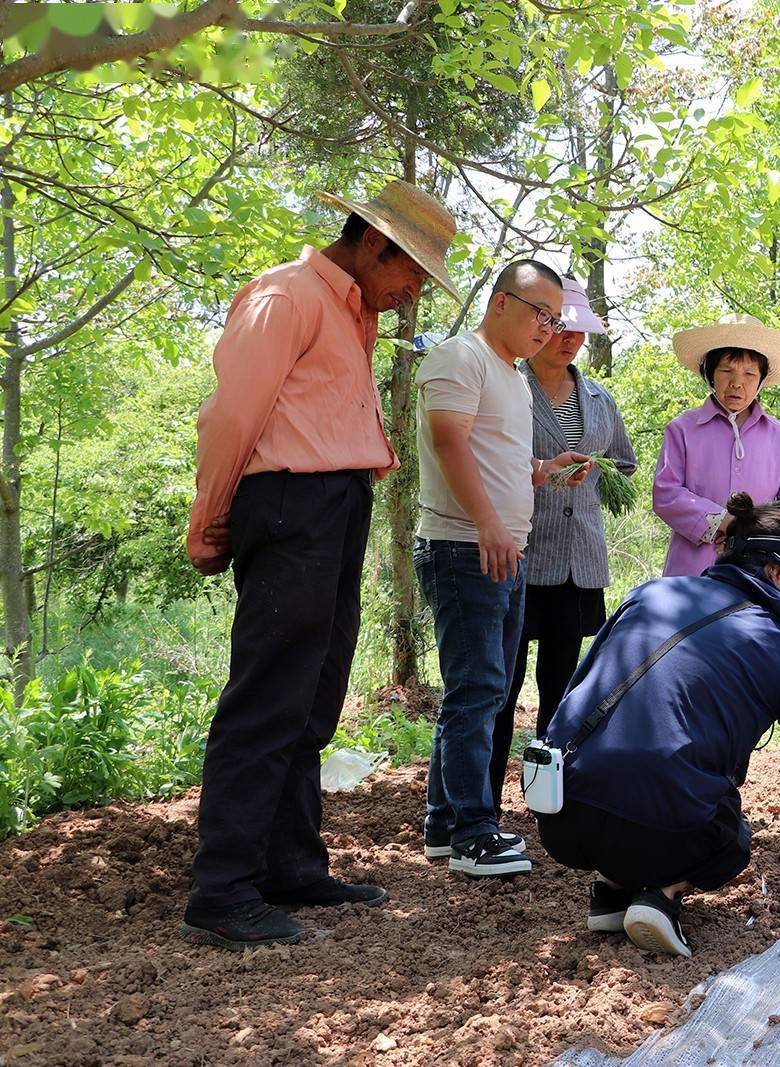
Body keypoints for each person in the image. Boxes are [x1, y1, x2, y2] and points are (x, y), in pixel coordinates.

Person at [181, 181, 462, 950]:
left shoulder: (353, 313)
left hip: (336, 504)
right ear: (374, 245)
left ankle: (290, 864)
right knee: (269, 694)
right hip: (289, 504)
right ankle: (223, 887)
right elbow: (232, 416)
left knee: (313, 695)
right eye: (412, 276)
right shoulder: (285, 296)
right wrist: (209, 521)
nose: (413, 297)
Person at [537, 493, 780, 957]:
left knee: (632, 776)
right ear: (774, 572)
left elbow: (577, 688)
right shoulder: (775, 645)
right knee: (733, 836)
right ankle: (661, 894)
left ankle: (610, 889)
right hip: (660, 832)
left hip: (560, 817)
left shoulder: (649, 593)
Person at [414, 260, 593, 878]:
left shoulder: (512, 377)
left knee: (484, 688)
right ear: (499, 303)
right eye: (540, 313)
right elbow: (448, 443)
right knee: (480, 688)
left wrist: (544, 471)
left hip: (503, 548)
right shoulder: (459, 358)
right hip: (465, 546)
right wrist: (488, 522)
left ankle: (446, 824)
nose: (549, 327)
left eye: (556, 317)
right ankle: (473, 831)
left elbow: (496, 456)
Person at [488, 277, 636, 818]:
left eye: (579, 329)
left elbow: (624, 462)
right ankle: (483, 799)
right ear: (540, 327)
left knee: (560, 684)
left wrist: (595, 468)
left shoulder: (599, 398)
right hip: (520, 551)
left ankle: (544, 797)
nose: (569, 338)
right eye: (558, 326)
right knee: (501, 684)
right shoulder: (508, 386)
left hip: (579, 560)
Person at [653, 313, 780, 577]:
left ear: (761, 380)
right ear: (710, 373)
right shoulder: (682, 430)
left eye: (749, 373)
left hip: (759, 570)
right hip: (692, 570)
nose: (737, 382)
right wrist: (723, 522)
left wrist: (755, 531)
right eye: (726, 370)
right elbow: (666, 493)